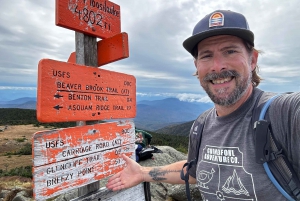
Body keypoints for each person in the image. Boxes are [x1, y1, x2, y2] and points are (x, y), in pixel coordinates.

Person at [106, 10, 300, 200]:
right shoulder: (202, 124)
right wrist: (142, 173)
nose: (217, 65)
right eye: (206, 55)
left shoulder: (283, 113)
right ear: (197, 66)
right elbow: (194, 171)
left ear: (252, 60)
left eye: (230, 51)